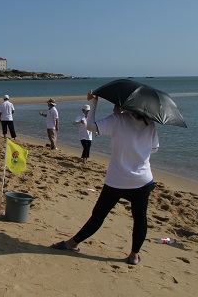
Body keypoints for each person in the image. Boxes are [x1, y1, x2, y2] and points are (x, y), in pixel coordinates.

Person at [51, 91, 159, 266]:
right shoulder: (150, 124)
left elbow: (91, 126)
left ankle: (72, 243)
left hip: (117, 179)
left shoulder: (118, 119)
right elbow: (154, 148)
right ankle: (134, 255)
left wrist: (94, 102)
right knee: (140, 218)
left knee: (98, 216)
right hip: (143, 180)